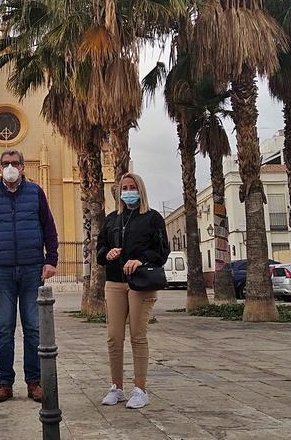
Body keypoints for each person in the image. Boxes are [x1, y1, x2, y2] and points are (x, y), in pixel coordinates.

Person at [0, 149, 59, 403]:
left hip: (33, 269)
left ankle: (34, 383)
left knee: (33, 327)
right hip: (2, 270)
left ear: (22, 167)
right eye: (5, 163)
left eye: (14, 163)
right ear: (0, 167)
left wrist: (51, 259)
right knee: (4, 328)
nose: (9, 167)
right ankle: (5, 383)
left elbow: (49, 227)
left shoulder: (36, 193)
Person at [96, 172, 169, 409]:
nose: (128, 191)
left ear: (140, 190)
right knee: (113, 337)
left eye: (132, 187)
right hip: (115, 283)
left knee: (138, 336)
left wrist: (140, 259)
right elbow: (100, 249)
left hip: (141, 283)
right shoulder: (111, 220)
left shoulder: (152, 218)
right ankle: (116, 387)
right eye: (124, 188)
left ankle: (140, 389)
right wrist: (107, 254)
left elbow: (162, 251)